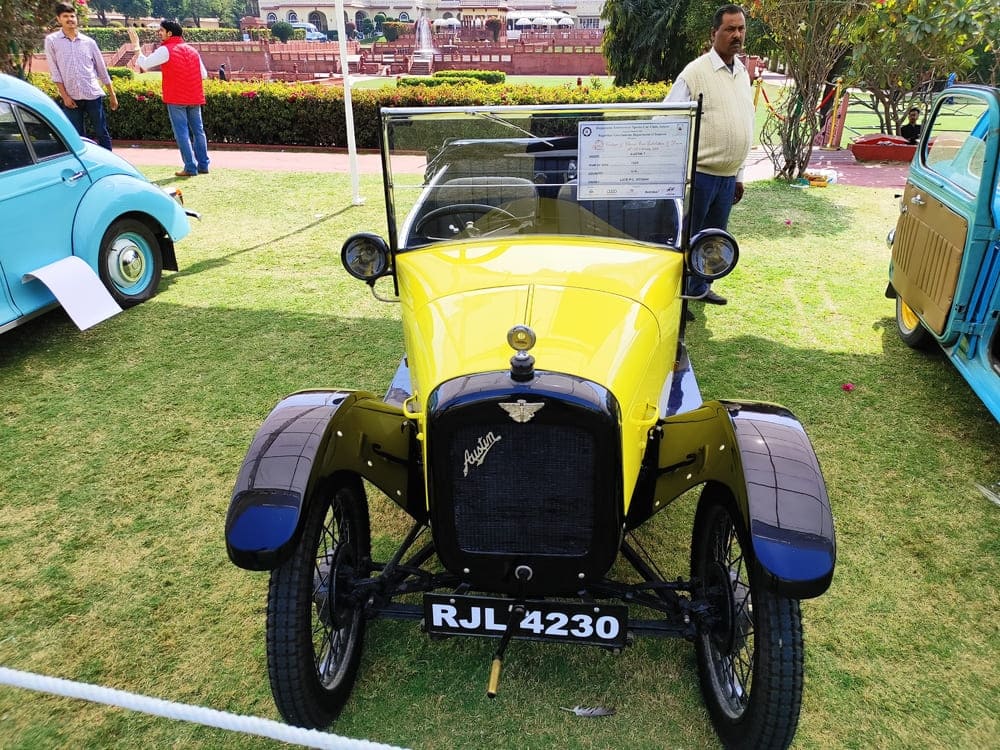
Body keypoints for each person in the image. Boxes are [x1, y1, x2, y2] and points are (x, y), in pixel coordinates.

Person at [665, 4, 755, 311]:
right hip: (700, 175)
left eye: (741, 28)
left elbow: (747, 121)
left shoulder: (742, 72)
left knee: (715, 239)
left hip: (728, 177)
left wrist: (740, 175)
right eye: (729, 29)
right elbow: (667, 120)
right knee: (689, 238)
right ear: (713, 33)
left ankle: (700, 288)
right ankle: (677, 298)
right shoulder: (695, 72)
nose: (737, 35)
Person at [128, 21, 210, 178]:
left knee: (182, 133)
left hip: (176, 98)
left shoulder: (166, 49)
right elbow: (203, 75)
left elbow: (144, 64)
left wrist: (136, 46)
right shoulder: (192, 50)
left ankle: (190, 167)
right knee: (199, 132)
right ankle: (203, 165)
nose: (159, 33)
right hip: (195, 97)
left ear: (169, 33)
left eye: (161, 30)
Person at [44, 2, 118, 150]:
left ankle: (109, 162)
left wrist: (112, 94)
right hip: (71, 97)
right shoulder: (52, 41)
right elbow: (55, 71)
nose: (70, 19)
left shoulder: (88, 42)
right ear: (59, 19)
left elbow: (101, 69)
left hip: (92, 94)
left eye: (72, 16)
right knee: (77, 136)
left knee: (101, 132)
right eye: (65, 16)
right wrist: (65, 96)